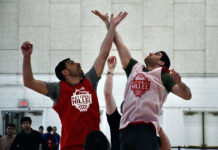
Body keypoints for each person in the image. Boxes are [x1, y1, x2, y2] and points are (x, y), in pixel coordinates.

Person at [21, 11, 127, 150]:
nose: (77, 63)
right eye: (71, 63)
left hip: (93, 146)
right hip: (70, 146)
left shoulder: (89, 80)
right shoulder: (57, 89)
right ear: (65, 72)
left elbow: (103, 53)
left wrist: (112, 26)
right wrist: (27, 56)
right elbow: (29, 82)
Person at [93, 10, 191, 150]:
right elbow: (119, 43)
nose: (151, 53)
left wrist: (180, 83)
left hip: (147, 129)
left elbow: (187, 95)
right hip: (126, 129)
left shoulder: (163, 75)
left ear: (162, 63)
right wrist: (110, 24)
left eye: (156, 54)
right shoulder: (134, 67)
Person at [104, 56, 171, 150]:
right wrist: (110, 70)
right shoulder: (117, 121)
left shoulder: (148, 126)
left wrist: (159, 129)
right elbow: (108, 95)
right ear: (123, 110)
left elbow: (166, 148)